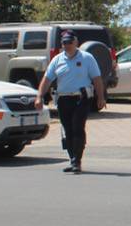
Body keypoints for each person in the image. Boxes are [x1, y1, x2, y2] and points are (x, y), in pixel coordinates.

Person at [34, 31, 105, 173]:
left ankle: (76, 161)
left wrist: (101, 97)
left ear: (76, 42)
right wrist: (39, 96)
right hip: (63, 99)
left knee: (77, 127)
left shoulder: (87, 58)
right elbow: (47, 79)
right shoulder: (57, 59)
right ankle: (73, 158)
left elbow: (97, 78)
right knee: (68, 130)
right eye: (64, 43)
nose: (67, 45)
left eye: (69, 42)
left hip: (81, 98)